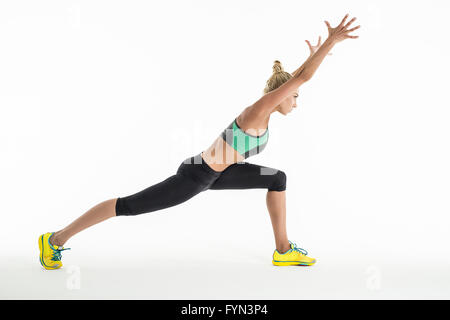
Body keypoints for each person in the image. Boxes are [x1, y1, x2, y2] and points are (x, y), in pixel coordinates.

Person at [38, 14, 360, 269]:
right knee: (130, 206)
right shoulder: (257, 112)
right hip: (196, 175)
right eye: (294, 97)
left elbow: (298, 77)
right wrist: (330, 42)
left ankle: (284, 251)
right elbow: (301, 78)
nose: (296, 102)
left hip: (221, 174)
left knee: (277, 179)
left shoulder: (268, 114)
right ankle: (55, 239)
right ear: (279, 98)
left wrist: (316, 55)